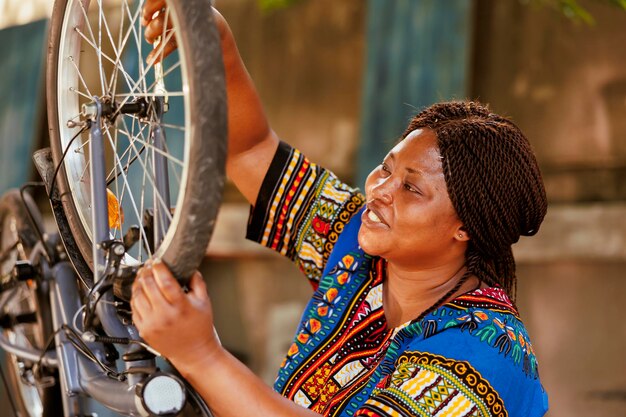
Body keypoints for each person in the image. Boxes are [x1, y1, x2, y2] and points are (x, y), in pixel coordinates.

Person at [131, 3, 549, 417]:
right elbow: (251, 151)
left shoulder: (481, 354)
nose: (380, 190)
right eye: (386, 167)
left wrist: (202, 355)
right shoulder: (359, 247)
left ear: (465, 228)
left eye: (411, 188)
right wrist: (212, 41)